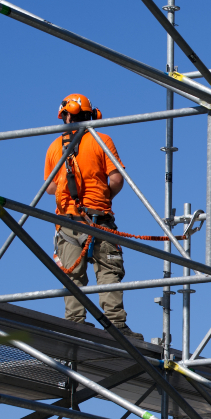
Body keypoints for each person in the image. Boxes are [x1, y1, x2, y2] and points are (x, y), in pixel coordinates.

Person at [44, 93, 142, 340]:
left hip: (67, 222)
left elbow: (50, 187)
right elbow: (116, 179)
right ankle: (116, 326)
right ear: (91, 114)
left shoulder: (55, 147)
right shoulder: (102, 140)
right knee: (109, 271)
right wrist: (101, 198)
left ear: (66, 115)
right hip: (99, 219)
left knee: (72, 275)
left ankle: (75, 323)